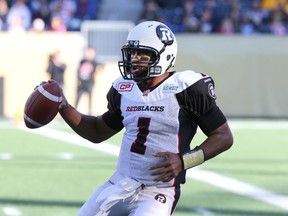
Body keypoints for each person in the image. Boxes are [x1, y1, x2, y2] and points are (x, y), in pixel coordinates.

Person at [57, 21, 233, 215]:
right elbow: (97, 131)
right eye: (132, 53)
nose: (134, 59)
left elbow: (223, 136)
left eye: (142, 53)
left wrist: (184, 161)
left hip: (158, 191)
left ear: (162, 55)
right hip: (120, 183)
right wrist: (63, 107)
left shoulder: (187, 88)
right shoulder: (124, 89)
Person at [75, 47, 98, 114]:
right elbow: (78, 71)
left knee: (90, 99)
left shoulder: (94, 62)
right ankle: (75, 110)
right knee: (78, 97)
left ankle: (89, 112)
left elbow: (100, 68)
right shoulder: (82, 61)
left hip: (89, 83)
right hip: (82, 83)